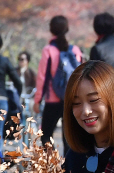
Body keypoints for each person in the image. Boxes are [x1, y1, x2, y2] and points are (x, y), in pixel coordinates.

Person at [33, 16, 82, 148]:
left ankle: (51, 167)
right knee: (70, 138)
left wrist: (37, 100)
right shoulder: (75, 50)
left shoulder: (48, 50)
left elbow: (42, 77)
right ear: (67, 29)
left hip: (52, 101)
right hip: (71, 99)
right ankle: (69, 167)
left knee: (46, 135)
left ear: (51, 30)